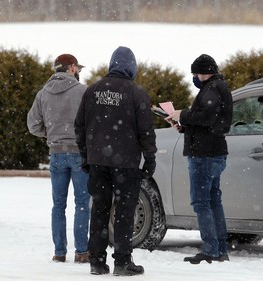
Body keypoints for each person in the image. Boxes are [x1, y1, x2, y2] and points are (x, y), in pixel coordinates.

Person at [74, 46, 157, 276]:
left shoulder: (92, 90)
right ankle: (122, 261)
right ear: (131, 67)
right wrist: (149, 157)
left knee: (99, 210)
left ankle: (97, 262)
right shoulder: (136, 93)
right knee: (124, 211)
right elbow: (146, 130)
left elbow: (79, 126)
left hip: (98, 162)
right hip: (126, 164)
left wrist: (86, 155)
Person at [166, 54, 232, 264]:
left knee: (201, 201)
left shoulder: (212, 89)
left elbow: (206, 118)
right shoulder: (218, 87)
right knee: (214, 200)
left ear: (203, 73)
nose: (194, 77)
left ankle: (211, 249)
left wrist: (182, 114)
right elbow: (208, 121)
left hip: (204, 154)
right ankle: (220, 248)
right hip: (215, 151)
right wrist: (183, 126)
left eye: (195, 73)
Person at [27, 54, 90, 263]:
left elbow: (33, 125)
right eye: (77, 68)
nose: (78, 71)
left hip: (56, 153)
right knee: (82, 202)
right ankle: (81, 251)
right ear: (71, 68)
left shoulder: (43, 93)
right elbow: (93, 121)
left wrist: (52, 134)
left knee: (58, 204)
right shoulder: (82, 91)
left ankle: (59, 252)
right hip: (79, 153)